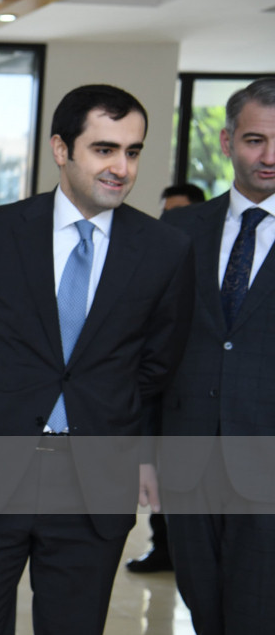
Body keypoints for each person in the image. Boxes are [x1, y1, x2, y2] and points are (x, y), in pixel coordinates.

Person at [0, 84, 195, 635]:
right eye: (104, 148)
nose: (121, 167)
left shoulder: (163, 251)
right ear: (61, 149)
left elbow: (160, 363)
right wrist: (3, 408)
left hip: (93, 477)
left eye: (132, 151)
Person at [158, 77, 275, 635]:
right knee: (212, 620)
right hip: (190, 467)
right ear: (228, 141)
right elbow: (149, 348)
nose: (268, 156)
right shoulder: (179, 233)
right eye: (254, 139)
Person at [124, 180, 209, 575]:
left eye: (178, 213)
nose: (170, 221)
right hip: (156, 390)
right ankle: (163, 547)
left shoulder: (207, 261)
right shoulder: (154, 260)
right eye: (165, 212)